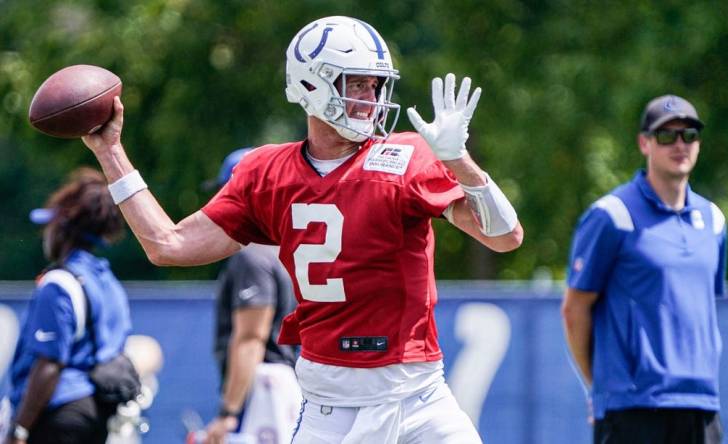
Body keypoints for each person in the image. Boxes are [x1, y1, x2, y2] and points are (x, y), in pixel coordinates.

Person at [80, 15, 523, 443]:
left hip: (417, 395)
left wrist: (459, 162)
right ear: (312, 84)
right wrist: (111, 151)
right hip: (327, 404)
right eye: (356, 84)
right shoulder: (266, 172)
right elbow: (167, 245)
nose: (371, 97)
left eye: (375, 84)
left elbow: (505, 237)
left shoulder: (406, 157)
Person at [561, 95, 727, 444]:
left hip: (701, 405)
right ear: (644, 143)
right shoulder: (612, 215)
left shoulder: (713, 221)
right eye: (666, 136)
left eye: (689, 134)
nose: (679, 144)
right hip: (633, 408)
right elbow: (574, 310)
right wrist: (603, 388)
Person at [6, 168, 132, 444]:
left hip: (58, 414)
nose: (45, 235)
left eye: (49, 226)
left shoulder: (58, 283)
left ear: (63, 228)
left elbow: (50, 364)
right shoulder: (107, 279)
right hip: (98, 411)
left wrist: (19, 429)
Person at [202, 149, 300, 444]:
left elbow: (251, 339)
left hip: (261, 388)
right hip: (282, 384)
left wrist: (227, 413)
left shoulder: (252, 256)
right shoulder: (286, 250)